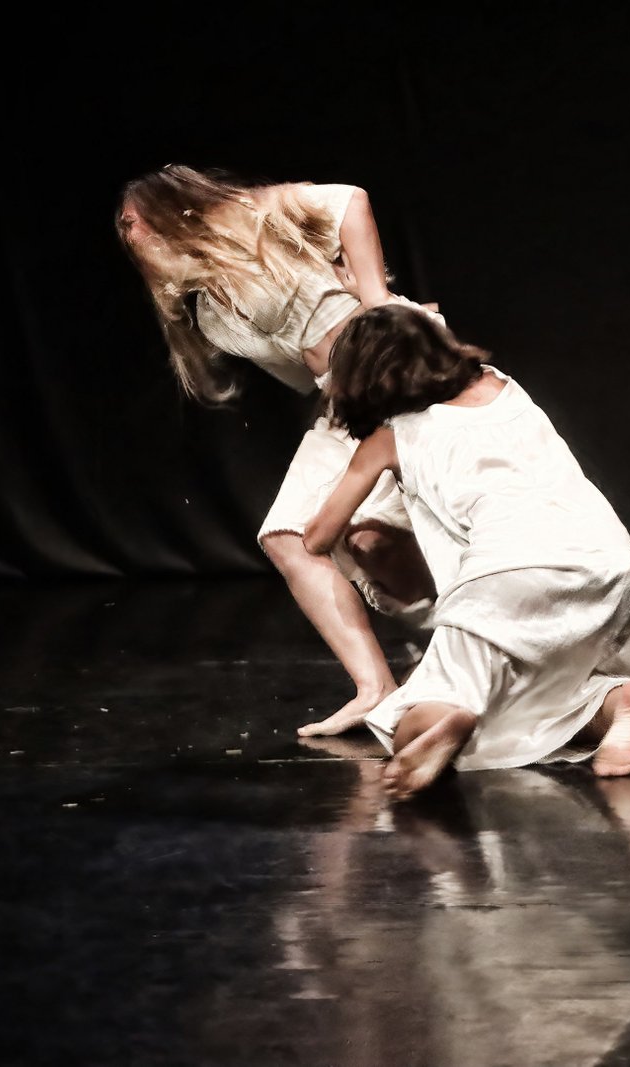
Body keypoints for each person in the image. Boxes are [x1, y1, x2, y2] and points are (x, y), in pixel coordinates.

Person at [116, 164, 438, 737]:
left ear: (169, 210)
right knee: (289, 538)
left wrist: (376, 300)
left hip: (399, 367)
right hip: (346, 399)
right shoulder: (208, 307)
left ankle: (467, 646)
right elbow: (301, 369)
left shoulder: (255, 217)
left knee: (372, 537)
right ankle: (376, 689)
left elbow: (351, 200)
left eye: (132, 221)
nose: (128, 234)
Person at [303, 304, 630, 798]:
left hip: (508, 572)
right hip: (609, 561)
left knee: (408, 723)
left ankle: (450, 718)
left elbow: (317, 537)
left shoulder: (389, 438)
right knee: (547, 700)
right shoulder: (501, 385)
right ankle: (617, 700)